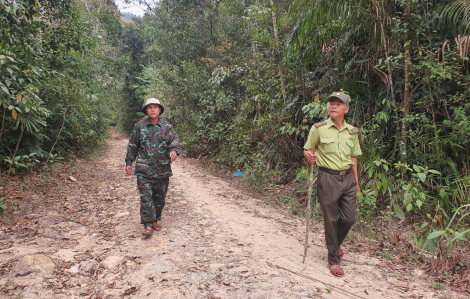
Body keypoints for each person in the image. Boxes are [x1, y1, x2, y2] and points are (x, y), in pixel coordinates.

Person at [303, 91, 362, 277]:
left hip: (348, 179)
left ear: (346, 109)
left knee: (349, 218)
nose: (333, 106)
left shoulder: (352, 131)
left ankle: (334, 244)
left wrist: (356, 180)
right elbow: (307, 149)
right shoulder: (318, 128)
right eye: (331, 103)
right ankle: (334, 260)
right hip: (327, 178)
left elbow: (353, 156)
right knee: (330, 219)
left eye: (338, 104)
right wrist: (310, 156)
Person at [125, 98, 181, 237]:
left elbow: (174, 141)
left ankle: (156, 218)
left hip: (162, 169)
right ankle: (148, 224)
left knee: (160, 197)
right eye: (150, 107)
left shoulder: (167, 127)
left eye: (155, 107)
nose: (153, 109)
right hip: (144, 169)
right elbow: (133, 145)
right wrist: (128, 162)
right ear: (146, 110)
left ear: (160, 109)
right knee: (146, 196)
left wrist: (174, 150)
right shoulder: (140, 126)